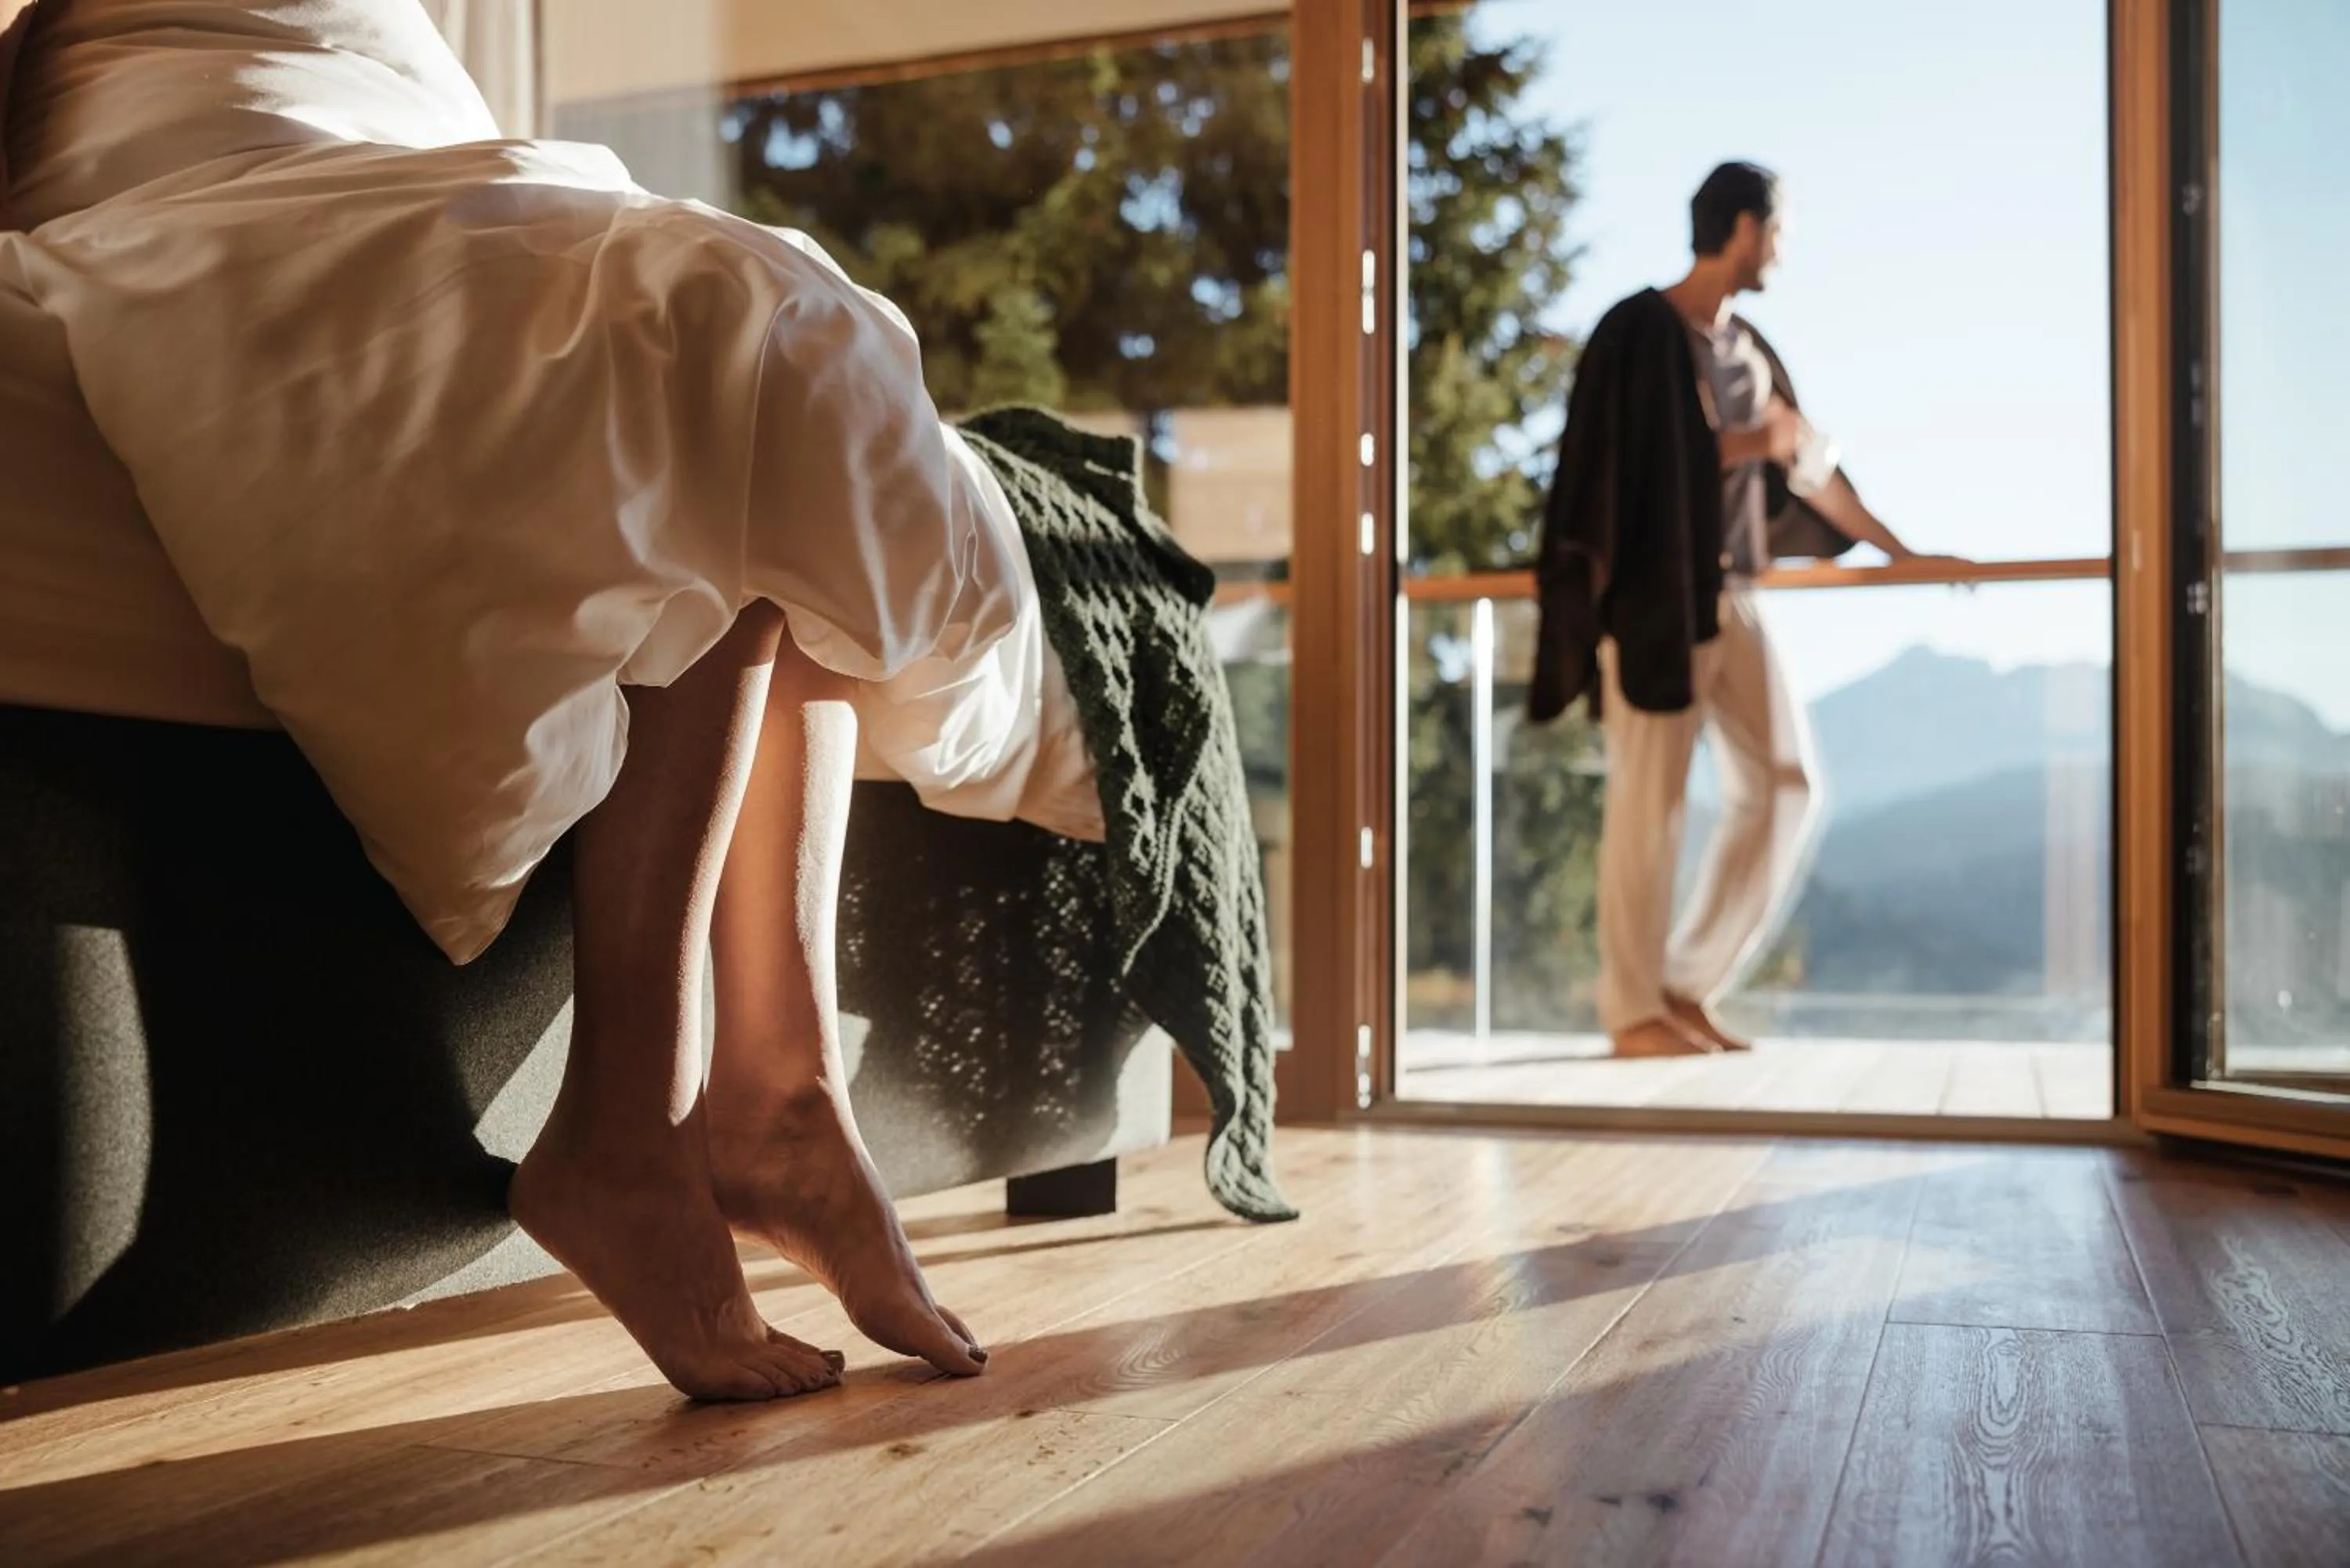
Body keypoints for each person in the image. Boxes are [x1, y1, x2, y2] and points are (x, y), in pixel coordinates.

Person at [2, 0, 1048, 1399]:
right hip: (202, 166)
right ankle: (639, 1127)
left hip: (422, 153)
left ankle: (782, 1097)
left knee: (770, 340)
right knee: (713, 322)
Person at [1528, 161, 1949, 1059]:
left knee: (1788, 785)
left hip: (1738, 598)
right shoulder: (1636, 332)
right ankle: (1632, 1009)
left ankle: (1684, 983)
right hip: (1652, 606)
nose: (1782, 252)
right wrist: (1745, 443)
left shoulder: (1750, 349)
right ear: (1746, 229)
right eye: (1780, 233)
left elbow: (1810, 469)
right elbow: (1618, 468)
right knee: (1652, 807)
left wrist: (1903, 550)